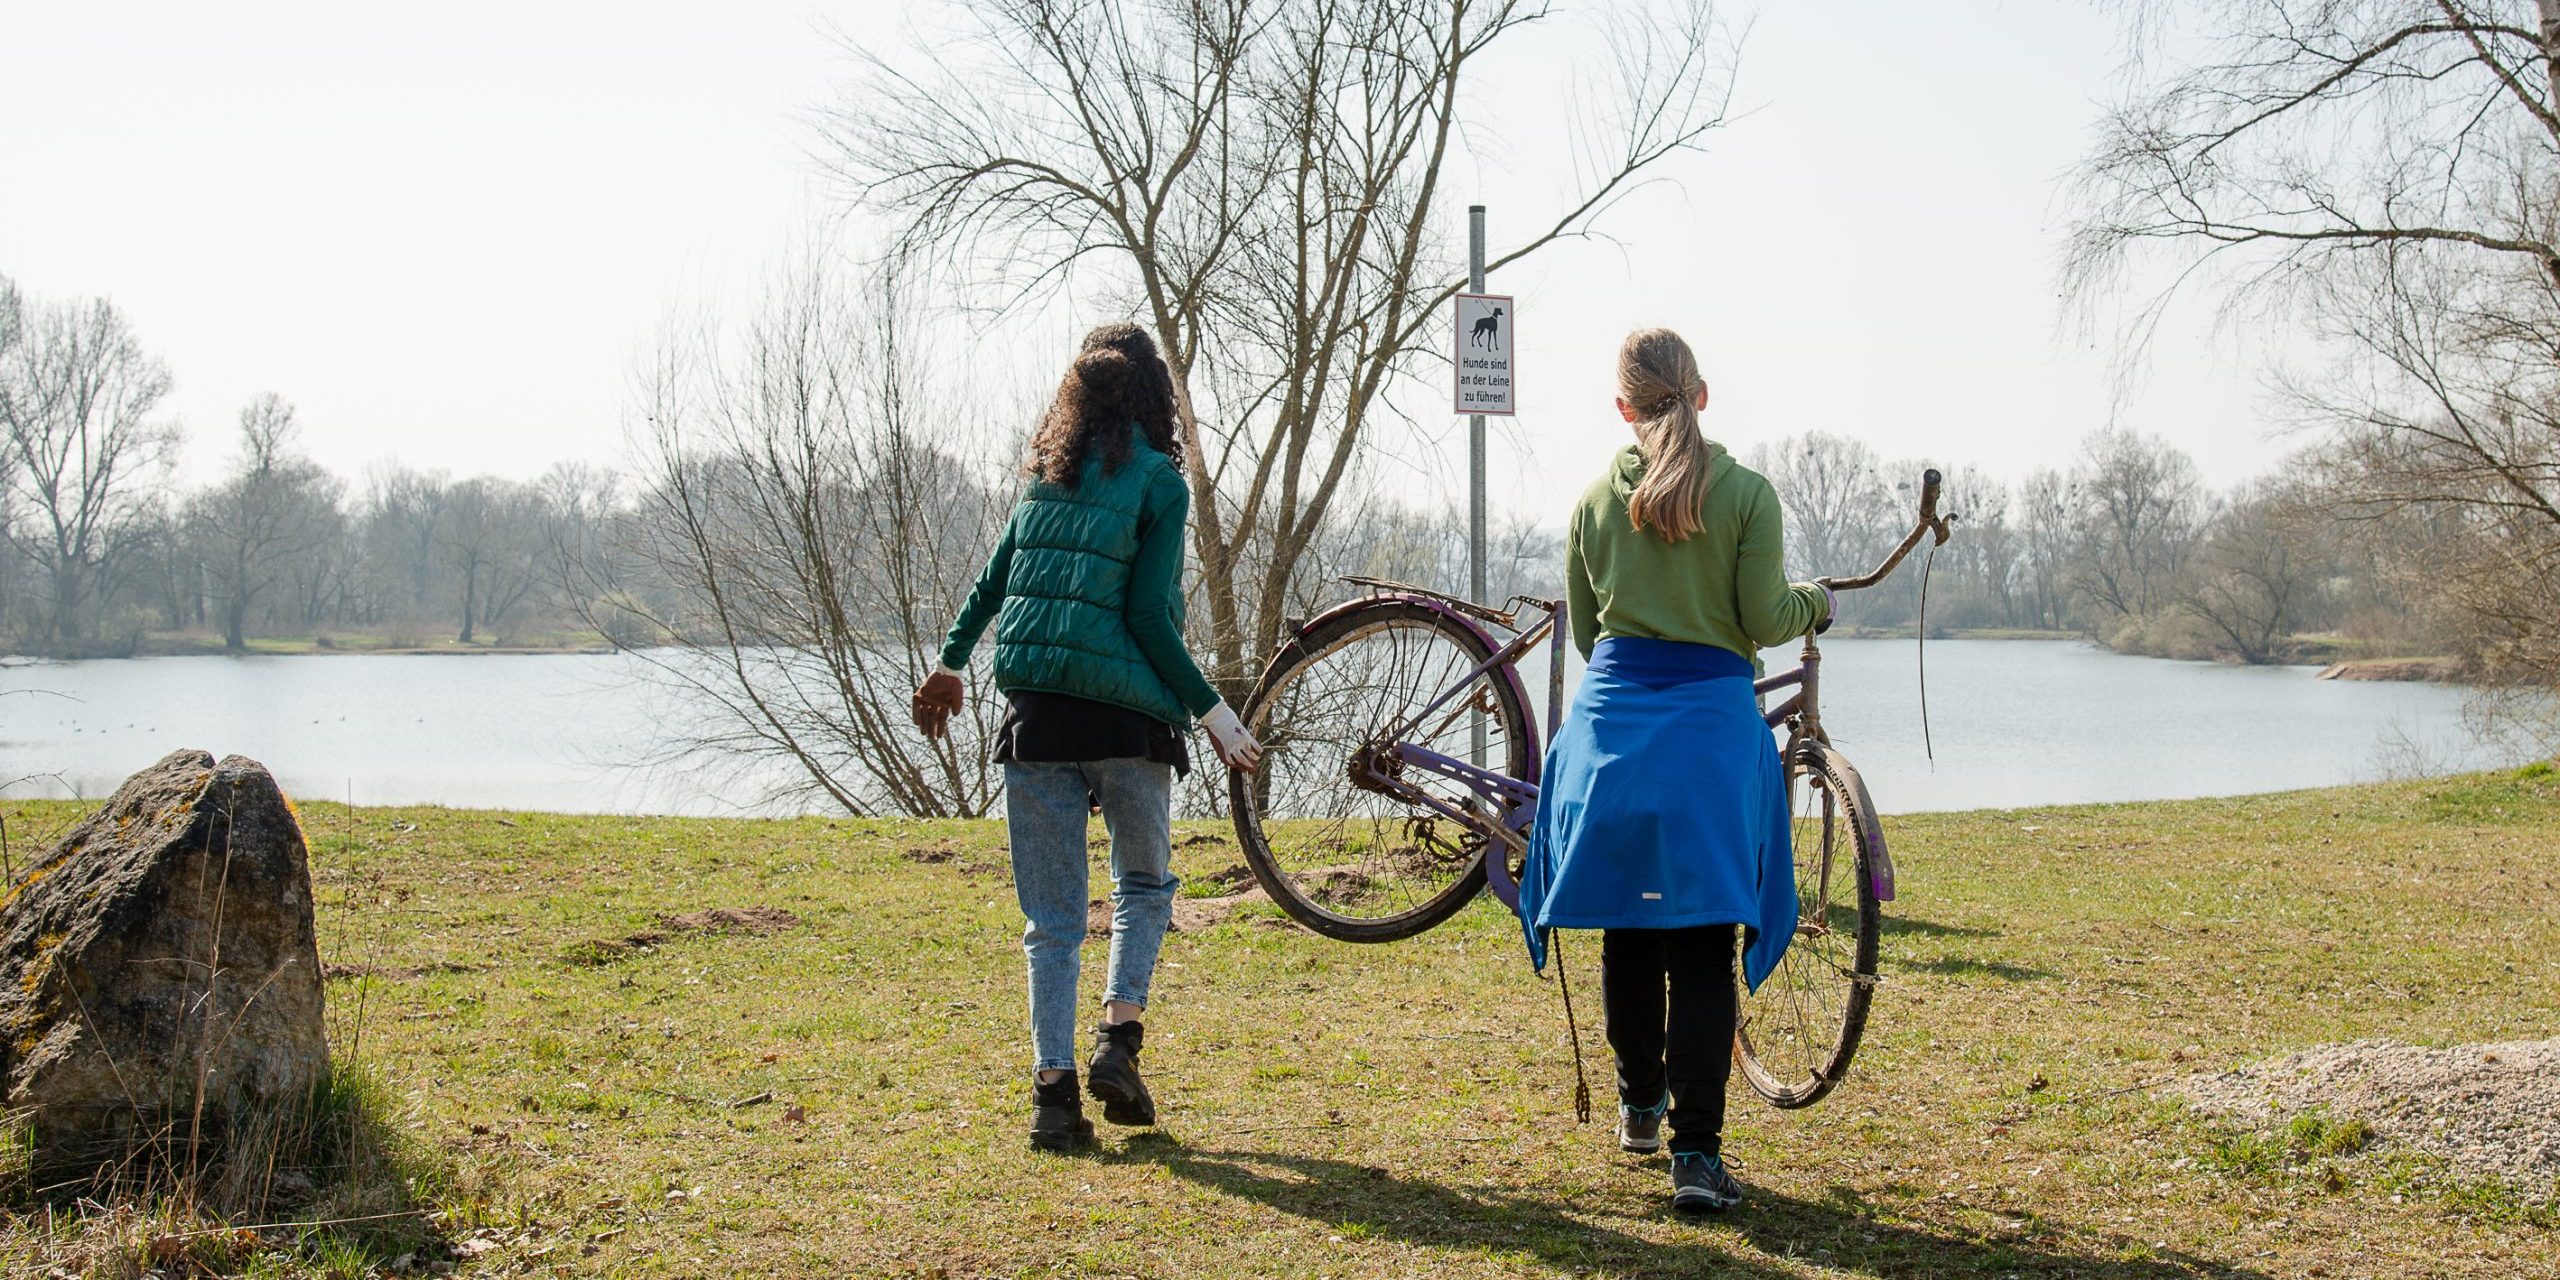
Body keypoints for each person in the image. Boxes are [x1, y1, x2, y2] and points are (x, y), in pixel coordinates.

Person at [912, 322, 1263, 1154]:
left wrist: (951, 663)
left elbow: (993, 581)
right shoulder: (1158, 484)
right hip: (1128, 721)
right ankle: (1118, 1040)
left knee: (1052, 919)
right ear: (1155, 396)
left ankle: (1052, 1099)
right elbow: (1147, 615)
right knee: (1143, 884)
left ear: (1073, 396)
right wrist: (1214, 713)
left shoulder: (1042, 477)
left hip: (1035, 720)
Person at [1516, 327, 1832, 1213]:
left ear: (1623, 409)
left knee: (1627, 929)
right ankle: (1697, 1156)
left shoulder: (1590, 503)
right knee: (1702, 943)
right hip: (1707, 742)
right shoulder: (1746, 495)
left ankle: (1640, 1109)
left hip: (1613, 735)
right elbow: (1768, 615)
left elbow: (1588, 636)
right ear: (1702, 394)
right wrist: (1818, 601)